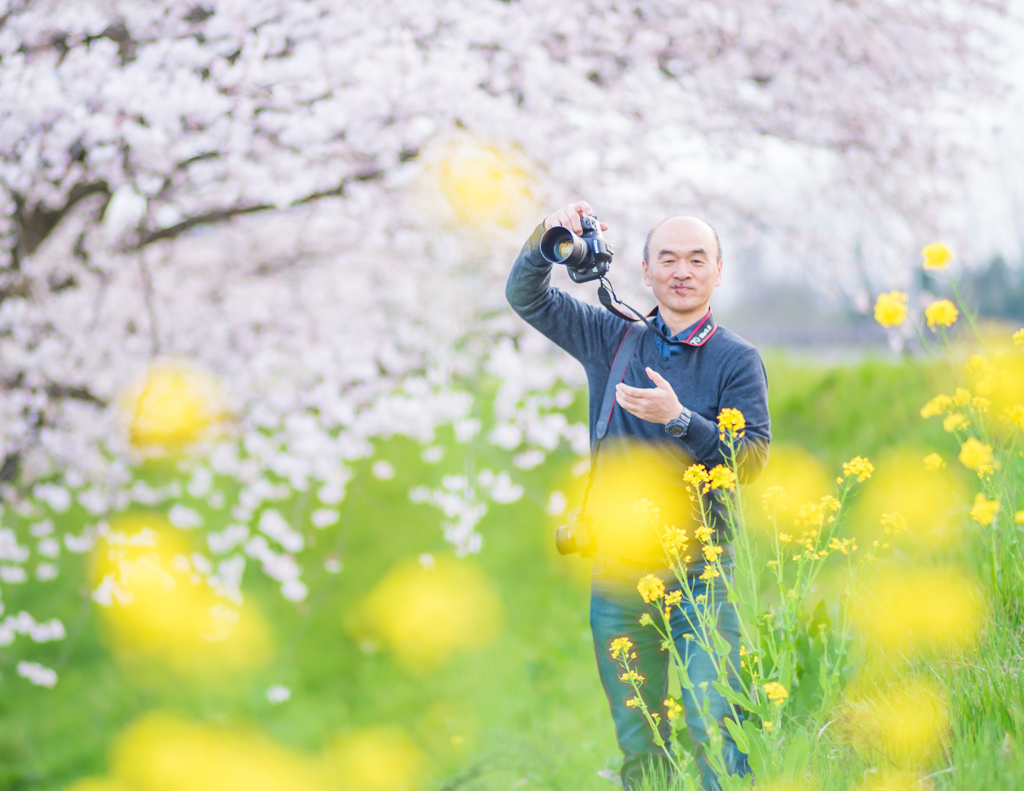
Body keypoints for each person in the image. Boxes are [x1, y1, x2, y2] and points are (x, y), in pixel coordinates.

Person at [505, 201, 771, 790]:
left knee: (714, 725)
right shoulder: (611, 338)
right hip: (619, 577)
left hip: (703, 573)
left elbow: (750, 459)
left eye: (697, 259)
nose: (683, 271)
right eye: (668, 259)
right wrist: (548, 238)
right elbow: (527, 298)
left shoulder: (736, 359)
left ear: (718, 272)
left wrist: (682, 420)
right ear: (646, 271)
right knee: (640, 741)